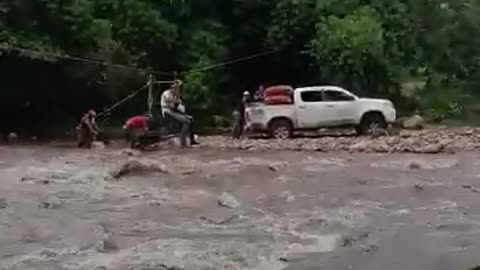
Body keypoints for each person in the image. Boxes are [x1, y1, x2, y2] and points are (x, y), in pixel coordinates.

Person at [160, 80, 199, 147]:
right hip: (167, 111)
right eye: (175, 88)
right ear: (172, 88)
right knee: (186, 122)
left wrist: (177, 97)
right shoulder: (166, 93)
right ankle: (182, 143)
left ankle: (192, 140)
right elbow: (171, 102)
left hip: (174, 111)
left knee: (191, 119)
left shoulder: (176, 95)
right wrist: (177, 96)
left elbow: (179, 106)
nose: (177, 90)